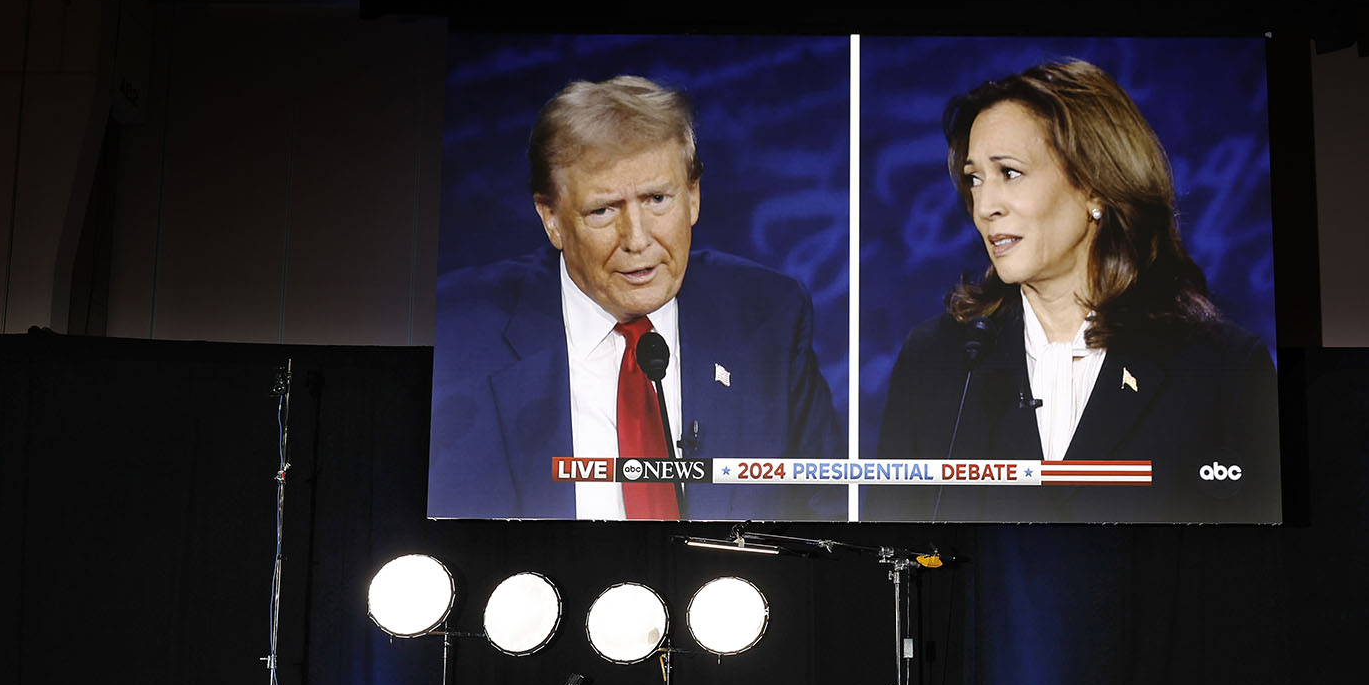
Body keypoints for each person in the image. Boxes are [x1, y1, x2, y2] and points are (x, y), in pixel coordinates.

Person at [871, 59, 1280, 524]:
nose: (985, 207)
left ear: (1095, 187)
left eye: (1010, 173)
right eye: (974, 179)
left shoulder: (1218, 368)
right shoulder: (936, 360)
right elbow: (895, 546)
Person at [429, 74, 842, 522]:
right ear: (551, 218)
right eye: (604, 210)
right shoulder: (462, 334)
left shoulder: (768, 317)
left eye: (657, 199)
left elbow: (823, 514)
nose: (638, 240)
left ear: (693, 197)